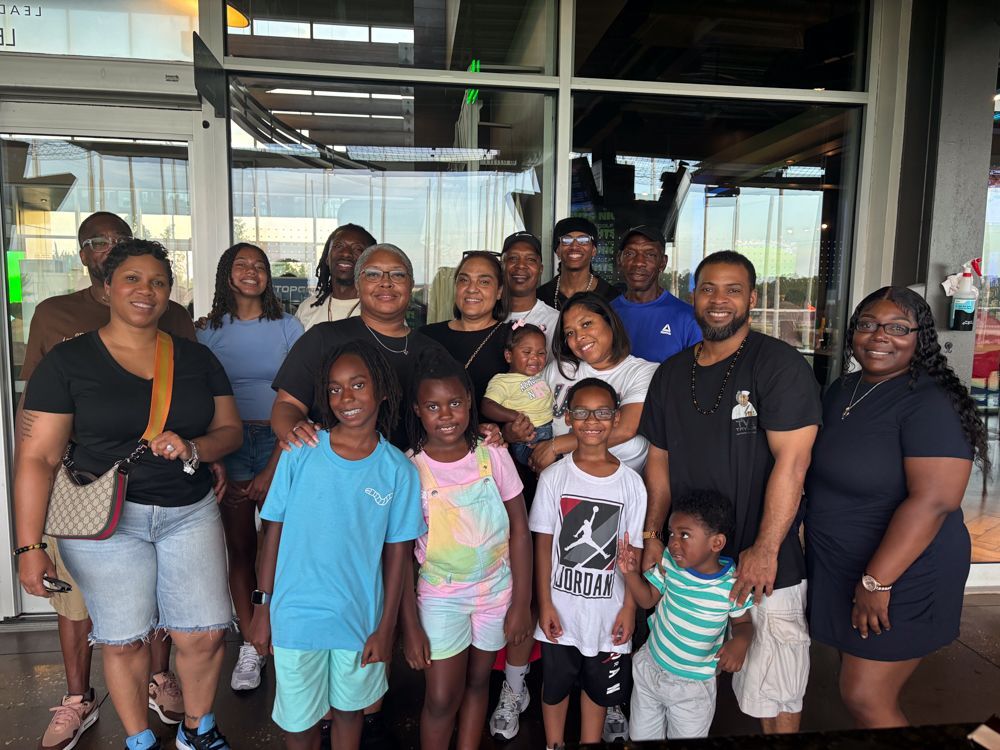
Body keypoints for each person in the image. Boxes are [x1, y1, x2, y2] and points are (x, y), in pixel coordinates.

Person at [15, 239, 243, 750]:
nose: (147, 291)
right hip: (106, 522)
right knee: (123, 640)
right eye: (133, 279)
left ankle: (197, 731)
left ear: (169, 294)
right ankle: (139, 739)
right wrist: (29, 548)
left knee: (204, 633)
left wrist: (195, 446)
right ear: (107, 289)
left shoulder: (196, 358)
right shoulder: (68, 363)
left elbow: (230, 430)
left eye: (159, 282)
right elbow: (36, 458)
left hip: (189, 511)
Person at [638, 250, 821, 734]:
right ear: (693, 297)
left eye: (733, 290)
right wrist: (654, 533)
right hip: (687, 563)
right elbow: (659, 458)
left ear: (752, 299)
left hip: (759, 564)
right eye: (708, 289)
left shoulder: (778, 365)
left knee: (774, 687)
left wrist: (765, 548)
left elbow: (794, 462)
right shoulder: (672, 373)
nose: (719, 301)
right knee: (678, 674)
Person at [804, 287, 988, 728]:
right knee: (854, 676)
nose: (878, 336)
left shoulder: (929, 401)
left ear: (919, 336)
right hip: (843, 562)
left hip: (901, 569)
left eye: (897, 328)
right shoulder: (844, 389)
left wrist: (877, 581)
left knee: (865, 694)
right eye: (867, 324)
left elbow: (934, 500)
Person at [249, 340, 424, 750]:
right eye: (334, 388)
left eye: (358, 385)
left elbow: (397, 555)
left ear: (382, 390)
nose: (346, 397)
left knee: (350, 714)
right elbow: (271, 530)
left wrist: (387, 628)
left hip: (359, 620)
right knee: (300, 724)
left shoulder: (397, 469)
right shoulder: (300, 452)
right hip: (295, 616)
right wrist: (262, 608)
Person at [399, 352, 532, 750]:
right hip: (441, 595)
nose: (446, 415)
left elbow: (520, 531)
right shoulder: (411, 469)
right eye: (433, 406)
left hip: (496, 592)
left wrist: (521, 603)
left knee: (478, 684)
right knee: (441, 697)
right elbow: (401, 556)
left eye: (455, 403)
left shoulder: (492, 454)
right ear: (417, 411)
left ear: (470, 403)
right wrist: (409, 626)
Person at [196, 242, 304, 692]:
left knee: (279, 544)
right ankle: (251, 645)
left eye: (259, 266)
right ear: (226, 274)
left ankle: (279, 631)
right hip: (231, 443)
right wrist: (216, 455)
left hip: (282, 442)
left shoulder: (287, 325)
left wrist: (276, 459)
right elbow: (198, 395)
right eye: (241, 264)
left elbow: (303, 392)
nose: (251, 271)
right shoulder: (207, 331)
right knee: (240, 546)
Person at [529, 379, 646, 749]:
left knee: (599, 692)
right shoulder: (554, 477)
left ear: (615, 419)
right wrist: (545, 603)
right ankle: (554, 744)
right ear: (567, 418)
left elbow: (633, 553)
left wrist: (629, 608)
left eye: (602, 412)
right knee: (555, 686)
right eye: (581, 412)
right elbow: (543, 545)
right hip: (561, 610)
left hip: (608, 613)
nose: (591, 420)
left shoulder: (632, 485)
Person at [272, 243, 445, 453]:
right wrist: (296, 430)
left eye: (398, 275)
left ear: (411, 285)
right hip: (335, 469)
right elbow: (287, 405)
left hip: (410, 474)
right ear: (357, 284)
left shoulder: (432, 352)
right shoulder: (323, 338)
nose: (386, 283)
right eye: (373, 274)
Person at [617, 490, 754, 740]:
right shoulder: (669, 563)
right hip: (651, 670)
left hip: (693, 690)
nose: (673, 542)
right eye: (671, 533)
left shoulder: (731, 583)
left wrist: (741, 642)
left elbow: (743, 622)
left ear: (716, 543)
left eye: (685, 535)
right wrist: (629, 573)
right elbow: (648, 598)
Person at [532, 292, 658, 475]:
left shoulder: (643, 371)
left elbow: (625, 429)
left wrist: (555, 446)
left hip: (619, 488)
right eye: (570, 333)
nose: (579, 337)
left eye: (586, 324)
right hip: (558, 480)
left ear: (609, 321)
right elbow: (526, 406)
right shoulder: (561, 369)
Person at [419, 251, 511, 402]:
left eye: (484, 282)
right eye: (464, 280)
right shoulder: (426, 336)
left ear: (499, 291)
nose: (471, 289)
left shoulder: (515, 338)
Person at [610, 225, 701, 363]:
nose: (639, 263)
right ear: (619, 260)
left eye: (650, 254)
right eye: (630, 254)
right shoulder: (606, 314)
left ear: (662, 263)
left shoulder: (687, 318)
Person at [482, 322, 554, 466]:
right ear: (509, 356)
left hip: (550, 432)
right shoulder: (502, 381)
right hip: (530, 436)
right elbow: (487, 405)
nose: (535, 358)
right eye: (527, 352)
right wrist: (515, 416)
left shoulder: (540, 375)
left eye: (541, 353)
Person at [295, 224, 377, 330]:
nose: (346, 253)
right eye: (338, 246)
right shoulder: (307, 308)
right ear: (327, 258)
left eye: (357, 249)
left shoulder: (380, 310)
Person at [536, 218, 618, 311]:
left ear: (594, 250)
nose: (574, 246)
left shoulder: (612, 297)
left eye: (583, 240)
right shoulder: (541, 296)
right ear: (558, 251)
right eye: (566, 240)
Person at [501, 231, 559, 351]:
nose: (521, 265)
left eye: (530, 259)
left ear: (540, 269)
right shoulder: (485, 315)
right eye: (513, 258)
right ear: (503, 266)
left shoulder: (555, 321)